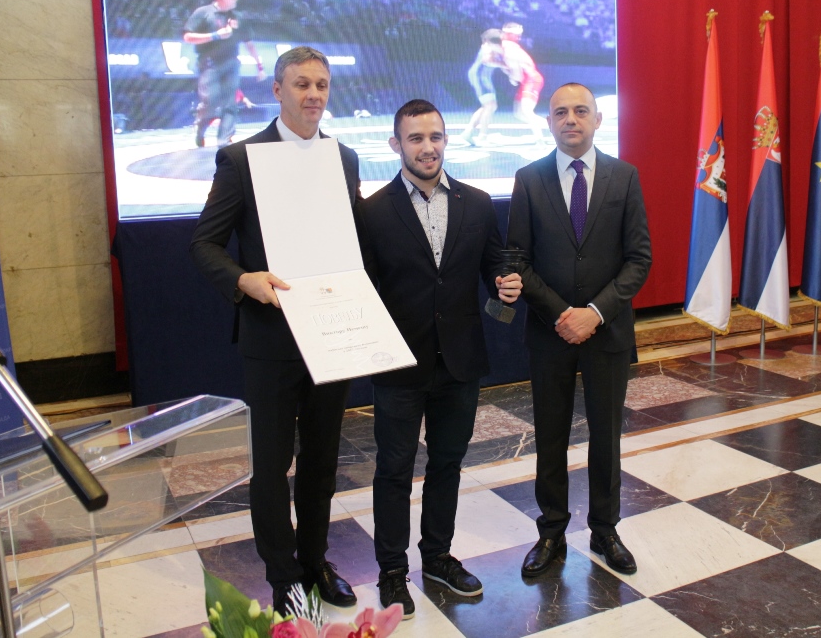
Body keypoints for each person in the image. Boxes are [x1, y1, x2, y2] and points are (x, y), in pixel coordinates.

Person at [190, 46, 358, 617]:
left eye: (321, 84)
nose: (313, 94)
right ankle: (283, 575)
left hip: (331, 332)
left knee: (323, 460)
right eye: (301, 84)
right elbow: (204, 244)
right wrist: (244, 279)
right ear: (278, 90)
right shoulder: (242, 159)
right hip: (271, 337)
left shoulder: (345, 158)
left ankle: (315, 561)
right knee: (271, 466)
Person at [355, 99, 522, 619]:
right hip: (398, 364)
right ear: (396, 145)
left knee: (448, 463)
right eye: (416, 138)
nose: (427, 147)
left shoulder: (477, 202)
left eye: (435, 136)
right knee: (394, 470)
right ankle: (391, 571)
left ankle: (437, 557)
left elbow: (492, 263)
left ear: (446, 139)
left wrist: (503, 280)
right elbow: (364, 287)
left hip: (460, 362)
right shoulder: (372, 212)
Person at [507, 83, 651, 577]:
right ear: (549, 121)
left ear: (597, 119)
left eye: (581, 111)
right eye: (561, 112)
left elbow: (639, 259)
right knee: (550, 435)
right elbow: (518, 259)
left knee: (606, 436)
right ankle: (551, 531)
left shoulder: (624, 176)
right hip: (549, 333)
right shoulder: (528, 179)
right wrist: (562, 314)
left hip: (607, 333)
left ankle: (605, 529)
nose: (571, 119)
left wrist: (594, 312)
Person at [183, 0, 266, 148]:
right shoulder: (203, 13)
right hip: (209, 64)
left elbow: (249, 43)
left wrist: (260, 67)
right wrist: (215, 35)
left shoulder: (238, 17)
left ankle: (224, 140)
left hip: (232, 63)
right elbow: (188, 37)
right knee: (211, 101)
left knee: (230, 104)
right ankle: (200, 126)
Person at [500, 22, 547, 143]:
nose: (519, 38)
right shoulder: (508, 47)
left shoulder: (509, 50)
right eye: (517, 36)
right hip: (526, 80)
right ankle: (552, 129)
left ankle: (542, 136)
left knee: (526, 111)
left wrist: (511, 77)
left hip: (531, 79)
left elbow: (517, 74)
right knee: (519, 113)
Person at [459, 29, 506, 146]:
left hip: (482, 77)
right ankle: (482, 137)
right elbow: (487, 60)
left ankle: (468, 132)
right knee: (490, 106)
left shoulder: (491, 46)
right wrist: (504, 65)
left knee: (488, 106)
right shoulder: (488, 47)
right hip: (480, 77)